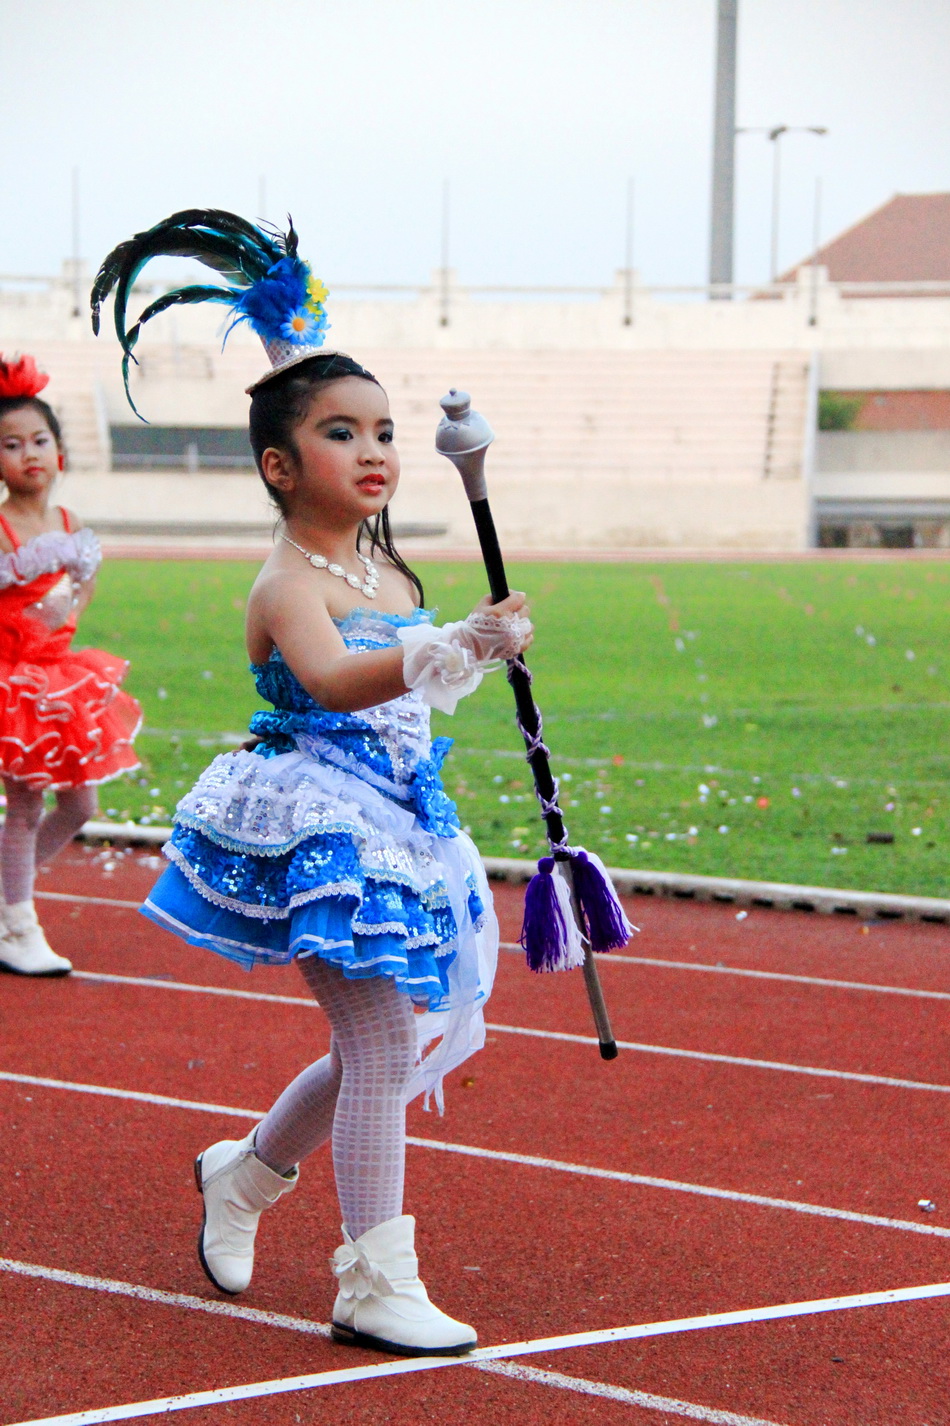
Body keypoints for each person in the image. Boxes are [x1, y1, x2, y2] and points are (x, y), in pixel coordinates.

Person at [93, 211, 532, 1356]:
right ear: (282, 466)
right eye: (343, 432)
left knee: (386, 1038)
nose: (376, 449)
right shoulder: (288, 579)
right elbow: (337, 680)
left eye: (384, 429)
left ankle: (243, 1173)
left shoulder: (381, 561)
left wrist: (469, 651)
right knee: (386, 1041)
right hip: (314, 823)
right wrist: (458, 645)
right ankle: (372, 1283)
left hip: (397, 819)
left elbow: (407, 693)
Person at [0, 354, 142, 976]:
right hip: (12, 681)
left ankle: (9, 889)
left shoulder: (68, 523)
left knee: (80, 807)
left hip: (61, 682)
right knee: (26, 806)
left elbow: (82, 582)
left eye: (40, 440)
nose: (29, 454)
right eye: (10, 444)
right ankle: (17, 925)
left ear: (59, 450)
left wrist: (69, 604)